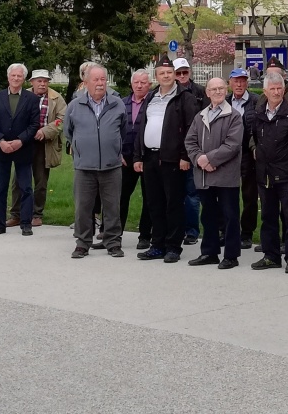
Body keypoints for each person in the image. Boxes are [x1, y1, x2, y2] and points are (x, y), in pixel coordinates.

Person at [134, 57, 199, 263]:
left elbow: (191, 129)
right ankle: (157, 245)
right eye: (162, 73)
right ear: (156, 76)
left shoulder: (185, 97)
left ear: (174, 74)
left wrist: (185, 156)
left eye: (169, 72)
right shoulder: (151, 97)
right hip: (150, 157)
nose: (166, 76)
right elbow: (142, 127)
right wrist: (138, 156)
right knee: (154, 204)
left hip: (173, 159)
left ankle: (173, 247)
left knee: (173, 204)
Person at [65, 65, 128, 258]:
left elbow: (123, 131)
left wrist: (114, 148)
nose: (100, 83)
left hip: (112, 166)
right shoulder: (74, 106)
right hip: (84, 167)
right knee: (83, 207)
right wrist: (81, 149)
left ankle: (113, 243)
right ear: (85, 82)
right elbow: (68, 132)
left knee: (112, 207)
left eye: (103, 79)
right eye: (96, 79)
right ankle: (82, 243)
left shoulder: (117, 104)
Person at [247, 71, 288, 272]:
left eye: (279, 88)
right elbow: (256, 138)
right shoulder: (258, 115)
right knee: (268, 217)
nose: (276, 92)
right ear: (265, 91)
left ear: (284, 89)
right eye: (272, 89)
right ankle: (270, 256)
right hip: (265, 175)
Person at [184, 76, 244, 269]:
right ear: (207, 93)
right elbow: (190, 141)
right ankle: (209, 253)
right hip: (204, 176)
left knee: (230, 216)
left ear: (226, 91)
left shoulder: (234, 116)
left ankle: (231, 256)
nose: (218, 92)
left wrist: (209, 159)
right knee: (208, 215)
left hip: (226, 176)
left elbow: (232, 145)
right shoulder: (200, 116)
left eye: (221, 88)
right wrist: (199, 159)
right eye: (213, 89)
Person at [6, 69, 65, 228]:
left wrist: (46, 131)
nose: (42, 84)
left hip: (44, 144)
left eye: (45, 81)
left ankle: (37, 214)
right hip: (24, 143)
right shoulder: (23, 95)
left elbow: (62, 119)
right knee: (18, 180)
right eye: (39, 81)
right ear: (31, 82)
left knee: (40, 181)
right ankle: (16, 214)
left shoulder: (56, 98)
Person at [0, 64, 41, 236]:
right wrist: (1, 141)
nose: (16, 78)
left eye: (19, 76)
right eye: (13, 75)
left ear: (24, 79)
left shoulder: (32, 99)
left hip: (23, 148)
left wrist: (20, 140)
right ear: (8, 77)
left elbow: (34, 124)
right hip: (1, 149)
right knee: (0, 189)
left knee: (26, 188)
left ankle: (25, 223)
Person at [171, 57, 205, 244]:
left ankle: (192, 232)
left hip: (194, 151)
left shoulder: (200, 92)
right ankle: (175, 229)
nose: (182, 76)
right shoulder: (167, 92)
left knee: (192, 194)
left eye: (185, 72)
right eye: (179, 73)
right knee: (174, 194)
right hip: (171, 152)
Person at [121, 69, 153, 250]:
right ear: (131, 84)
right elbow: (114, 129)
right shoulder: (121, 103)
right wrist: (118, 152)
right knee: (120, 196)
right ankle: (114, 235)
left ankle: (145, 236)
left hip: (146, 157)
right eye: (136, 82)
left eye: (143, 82)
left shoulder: (154, 103)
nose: (139, 86)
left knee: (149, 198)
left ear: (149, 84)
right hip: (125, 158)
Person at [228, 68, 258, 250]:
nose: (239, 84)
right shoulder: (224, 101)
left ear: (247, 83)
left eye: (242, 81)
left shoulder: (256, 101)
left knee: (249, 195)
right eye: (236, 81)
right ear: (230, 83)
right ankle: (227, 230)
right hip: (227, 154)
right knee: (226, 194)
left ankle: (247, 233)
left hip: (247, 153)